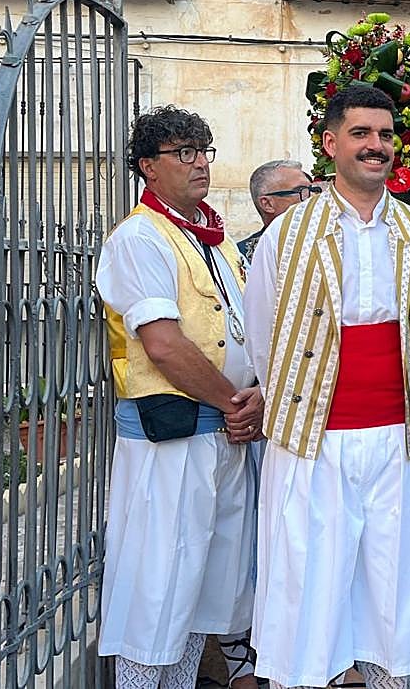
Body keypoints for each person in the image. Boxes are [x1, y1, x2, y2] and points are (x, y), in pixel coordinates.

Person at [244, 85, 410, 689]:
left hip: (398, 437)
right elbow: (263, 335)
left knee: (393, 580)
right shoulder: (286, 235)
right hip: (314, 440)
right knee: (309, 583)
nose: (376, 146)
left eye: (385, 135)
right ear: (331, 143)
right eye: (361, 134)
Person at [96, 107, 262, 689]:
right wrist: (235, 402)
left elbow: (241, 330)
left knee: (199, 593)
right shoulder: (141, 237)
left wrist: (255, 396)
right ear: (147, 166)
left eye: (203, 150)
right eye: (182, 153)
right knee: (157, 593)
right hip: (171, 441)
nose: (198, 163)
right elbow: (163, 345)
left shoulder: (212, 240)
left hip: (220, 437)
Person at [240, 159, 320, 260]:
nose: (312, 197)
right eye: (301, 191)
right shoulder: (241, 258)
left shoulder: (332, 245)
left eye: (312, 190)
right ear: (267, 204)